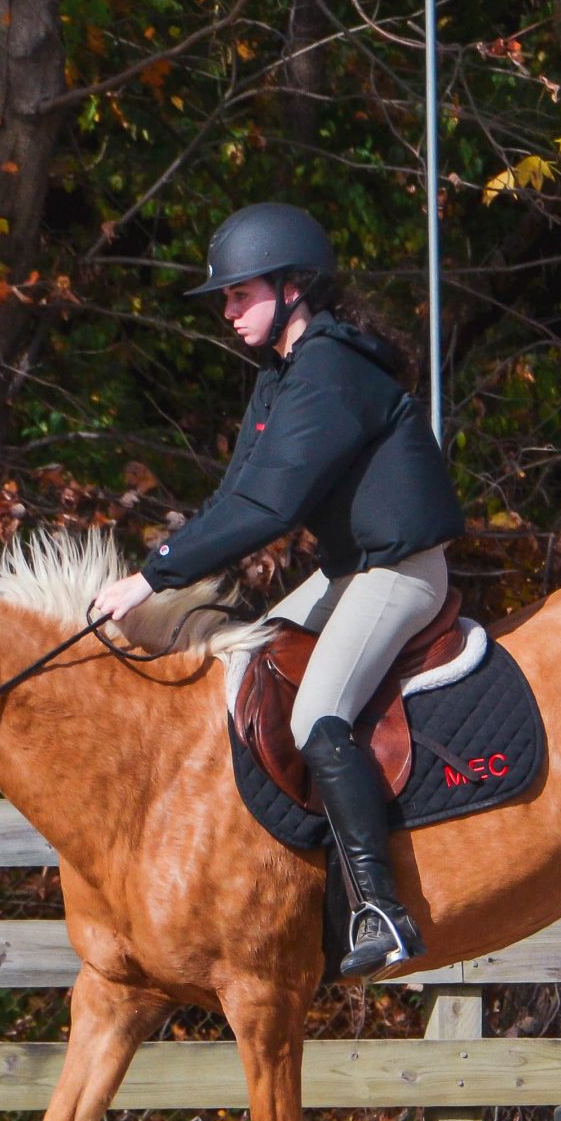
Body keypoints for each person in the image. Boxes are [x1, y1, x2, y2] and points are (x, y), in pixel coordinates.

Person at [90, 203, 464, 978]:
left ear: (294, 287)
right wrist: (168, 580)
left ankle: (381, 911)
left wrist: (151, 574)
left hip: (399, 574)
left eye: (239, 294)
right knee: (243, 671)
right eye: (225, 300)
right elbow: (236, 498)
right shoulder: (282, 376)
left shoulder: (331, 369)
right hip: (347, 574)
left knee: (318, 709)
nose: (227, 312)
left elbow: (271, 508)